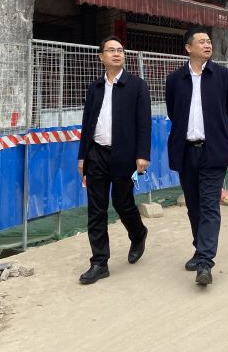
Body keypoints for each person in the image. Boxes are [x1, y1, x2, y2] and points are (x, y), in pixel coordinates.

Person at [166, 26, 228, 287]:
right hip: (186, 150)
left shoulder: (223, 76)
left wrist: (217, 132)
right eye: (202, 42)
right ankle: (200, 249)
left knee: (209, 204)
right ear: (188, 48)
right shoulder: (175, 79)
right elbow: (173, 111)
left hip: (213, 150)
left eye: (209, 41)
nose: (208, 45)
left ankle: (205, 262)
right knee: (194, 205)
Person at [77, 36, 151, 284]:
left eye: (120, 50)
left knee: (122, 202)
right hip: (96, 154)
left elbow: (144, 123)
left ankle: (138, 233)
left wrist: (143, 154)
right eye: (111, 50)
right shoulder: (95, 87)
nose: (117, 53)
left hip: (124, 155)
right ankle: (99, 262)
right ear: (101, 57)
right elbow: (87, 123)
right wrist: (82, 156)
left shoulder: (137, 85)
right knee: (96, 209)